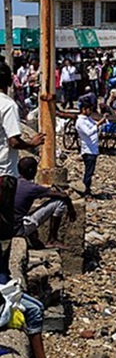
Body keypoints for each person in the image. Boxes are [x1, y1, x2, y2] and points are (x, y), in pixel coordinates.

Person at [0, 66, 45, 282]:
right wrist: (32, 143)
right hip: (3, 174)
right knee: (3, 231)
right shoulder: (7, 105)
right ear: (9, 81)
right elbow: (13, 141)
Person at [14, 156, 76, 248]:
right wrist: (71, 210)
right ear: (31, 170)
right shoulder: (32, 188)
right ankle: (52, 239)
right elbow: (64, 196)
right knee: (59, 202)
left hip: (6, 228)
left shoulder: (13, 183)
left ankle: (34, 241)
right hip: (18, 230)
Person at [75, 101, 104, 198]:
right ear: (83, 110)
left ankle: (87, 188)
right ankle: (85, 190)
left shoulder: (88, 119)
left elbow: (94, 125)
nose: (90, 111)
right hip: (88, 150)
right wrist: (98, 124)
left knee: (90, 171)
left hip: (93, 149)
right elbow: (88, 132)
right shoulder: (80, 121)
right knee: (88, 171)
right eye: (89, 109)